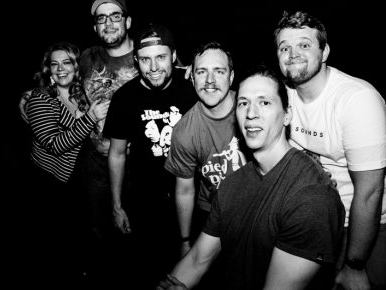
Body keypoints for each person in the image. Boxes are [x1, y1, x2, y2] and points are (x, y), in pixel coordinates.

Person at [157, 64, 345, 290]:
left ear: (287, 115)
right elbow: (199, 259)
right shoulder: (231, 184)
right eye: (243, 103)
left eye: (264, 103)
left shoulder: (311, 196)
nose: (251, 113)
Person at [274, 10, 386, 290]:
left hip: (363, 226)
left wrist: (355, 264)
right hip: (313, 220)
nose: (292, 53)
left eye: (304, 44)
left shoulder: (357, 100)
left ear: (324, 53)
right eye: (284, 47)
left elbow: (370, 192)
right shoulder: (282, 94)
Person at [102, 23, 197, 288]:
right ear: (136, 61)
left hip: (193, 197)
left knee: (192, 272)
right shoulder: (124, 98)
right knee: (149, 272)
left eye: (161, 57)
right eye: (145, 59)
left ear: (174, 56)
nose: (154, 67)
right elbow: (117, 154)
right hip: (146, 202)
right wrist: (117, 206)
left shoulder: (193, 86)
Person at [25, 41, 109, 285]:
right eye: (54, 64)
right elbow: (55, 144)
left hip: (79, 176)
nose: (61, 69)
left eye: (67, 63)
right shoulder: (40, 100)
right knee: (57, 240)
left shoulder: (79, 94)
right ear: (48, 69)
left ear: (76, 66)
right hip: (48, 181)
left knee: (82, 234)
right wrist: (91, 118)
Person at [164, 41, 247, 259]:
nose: (210, 81)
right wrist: (185, 241)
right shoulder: (185, 131)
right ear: (192, 78)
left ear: (231, 76)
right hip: (213, 214)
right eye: (202, 72)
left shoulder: (251, 109)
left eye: (219, 71)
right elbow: (184, 190)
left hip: (258, 209)